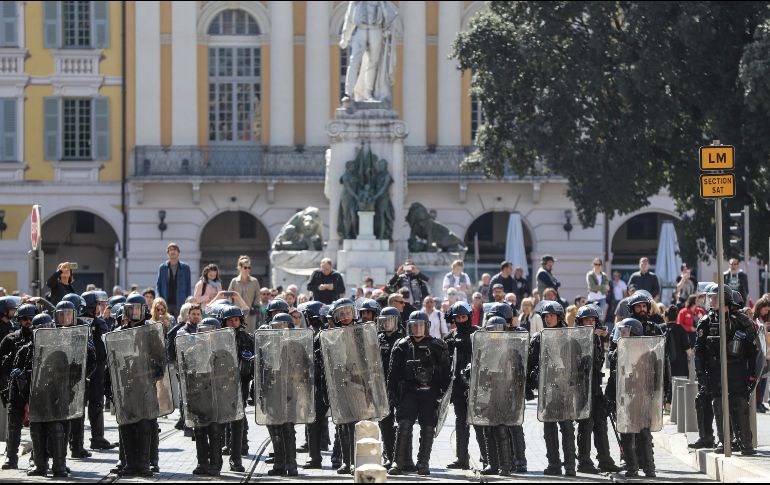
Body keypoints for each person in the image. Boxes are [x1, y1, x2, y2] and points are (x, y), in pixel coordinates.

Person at [695, 287, 760, 455]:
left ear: (724, 298)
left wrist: (753, 374)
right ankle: (724, 441)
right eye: (710, 297)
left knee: (739, 403)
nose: (711, 300)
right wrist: (701, 376)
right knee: (718, 405)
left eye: (715, 297)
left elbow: (754, 350)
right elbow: (699, 352)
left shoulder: (742, 321)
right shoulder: (706, 321)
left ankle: (746, 442)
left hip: (737, 369)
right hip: (715, 370)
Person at [607, 292, 666, 477]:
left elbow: (663, 361)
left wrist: (664, 389)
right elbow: (612, 356)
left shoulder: (655, 328)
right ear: (632, 308)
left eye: (644, 306)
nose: (642, 309)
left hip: (646, 386)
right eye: (638, 306)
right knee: (626, 427)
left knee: (644, 430)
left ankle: (649, 465)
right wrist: (623, 340)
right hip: (625, 386)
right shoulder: (621, 327)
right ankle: (630, 464)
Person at [388, 311, 451, 476]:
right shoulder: (401, 345)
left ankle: (423, 463)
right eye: (414, 326)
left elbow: (446, 372)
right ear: (409, 327)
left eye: (421, 325)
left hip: (430, 393)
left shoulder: (437, 346)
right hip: (408, 392)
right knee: (404, 426)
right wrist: (392, 393)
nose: (417, 329)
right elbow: (392, 373)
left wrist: (443, 394)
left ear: (427, 327)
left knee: (428, 427)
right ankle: (398, 461)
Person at [527, 301, 576, 476]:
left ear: (559, 317)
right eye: (546, 316)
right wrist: (532, 381)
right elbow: (531, 363)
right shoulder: (539, 338)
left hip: (566, 389)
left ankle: (570, 465)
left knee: (567, 427)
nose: (548, 319)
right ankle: (554, 464)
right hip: (547, 390)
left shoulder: (570, 337)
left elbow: (578, 364)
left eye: (551, 316)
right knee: (549, 428)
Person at [574, 305, 621, 474]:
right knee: (585, 425)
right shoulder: (576, 339)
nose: (590, 323)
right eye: (587, 320)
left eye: (593, 320)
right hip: (581, 389)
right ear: (580, 322)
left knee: (601, 423)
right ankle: (584, 461)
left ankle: (605, 459)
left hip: (595, 387)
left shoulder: (596, 339)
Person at [443, 302, 486, 471]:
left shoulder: (477, 333)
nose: (461, 320)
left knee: (479, 423)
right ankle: (461, 458)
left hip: (477, 385)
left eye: (463, 317)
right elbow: (445, 362)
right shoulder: (450, 336)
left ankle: (487, 457)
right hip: (458, 386)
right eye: (458, 318)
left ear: (469, 316)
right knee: (460, 422)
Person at [0, 304, 38, 471]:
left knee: (38, 425)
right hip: (15, 388)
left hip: (36, 388)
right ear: (19, 320)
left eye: (31, 318)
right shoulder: (10, 339)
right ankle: (11, 457)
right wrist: (4, 386)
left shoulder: (42, 337)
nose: (28, 321)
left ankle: (37, 457)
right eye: (25, 319)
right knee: (14, 424)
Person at [339, 0, 396, 103]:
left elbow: (388, 17)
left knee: (373, 62)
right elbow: (349, 17)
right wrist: (345, 37)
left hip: (376, 29)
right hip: (361, 29)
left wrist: (387, 30)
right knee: (354, 61)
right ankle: (348, 93)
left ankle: (368, 92)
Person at [81, 291, 118, 451]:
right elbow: (104, 347)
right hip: (96, 369)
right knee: (96, 403)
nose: (100, 307)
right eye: (98, 304)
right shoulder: (99, 323)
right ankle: (97, 438)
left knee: (78, 405)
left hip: (81, 369)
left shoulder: (75, 321)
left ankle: (76, 442)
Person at [377, 307, 405, 468]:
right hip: (382, 386)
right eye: (384, 320)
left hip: (400, 386)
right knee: (385, 423)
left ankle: (403, 458)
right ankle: (388, 455)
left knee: (403, 424)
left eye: (390, 320)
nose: (386, 323)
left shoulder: (403, 339)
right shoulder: (377, 339)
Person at [156, 242, 192, 317]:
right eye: (170, 250)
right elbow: (158, 285)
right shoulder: (162, 267)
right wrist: (159, 298)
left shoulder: (185, 268)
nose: (173, 251)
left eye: (175, 249)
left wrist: (188, 301)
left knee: (180, 324)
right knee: (166, 325)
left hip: (181, 303)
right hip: (165, 303)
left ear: (178, 252)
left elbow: (188, 285)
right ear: (168, 253)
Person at [228, 255, 261, 333]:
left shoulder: (255, 281)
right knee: (236, 334)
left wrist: (255, 307)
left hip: (250, 313)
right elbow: (229, 297)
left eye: (249, 267)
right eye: (245, 267)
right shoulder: (234, 281)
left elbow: (257, 296)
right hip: (236, 314)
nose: (247, 269)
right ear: (240, 268)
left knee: (250, 334)